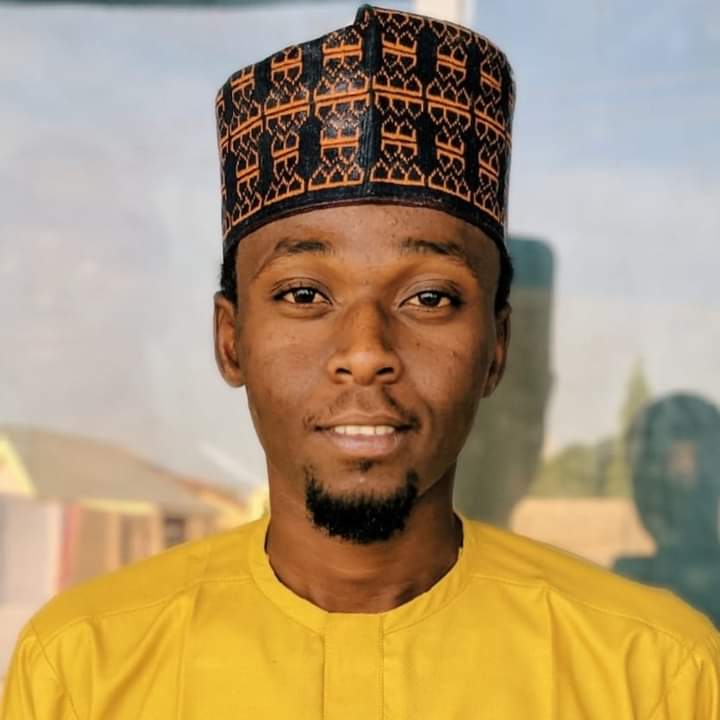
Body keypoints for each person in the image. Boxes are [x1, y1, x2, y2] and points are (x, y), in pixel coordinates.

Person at [2, 5, 719, 718]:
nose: (367, 351)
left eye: (430, 298)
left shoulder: (652, 676)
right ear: (230, 339)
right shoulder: (85, 669)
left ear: (496, 347)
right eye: (304, 294)